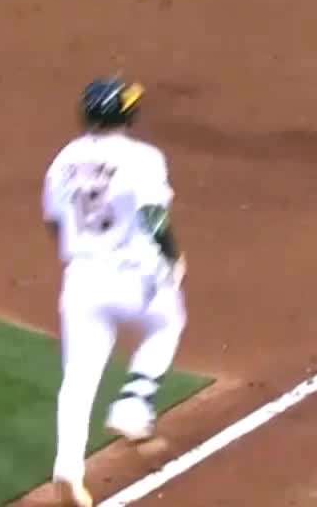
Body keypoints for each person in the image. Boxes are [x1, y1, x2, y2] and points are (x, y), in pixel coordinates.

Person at [44, 78, 187, 507]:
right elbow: (153, 217)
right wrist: (173, 257)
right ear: (128, 115)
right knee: (168, 322)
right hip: (133, 275)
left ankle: (68, 469)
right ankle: (134, 404)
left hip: (83, 277)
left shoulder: (64, 159)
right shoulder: (142, 158)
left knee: (78, 378)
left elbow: (54, 221)